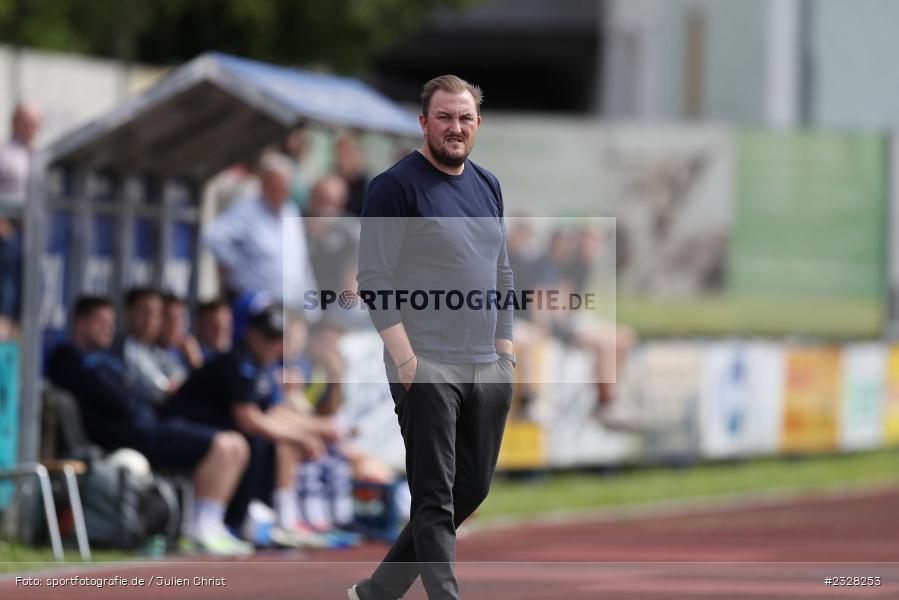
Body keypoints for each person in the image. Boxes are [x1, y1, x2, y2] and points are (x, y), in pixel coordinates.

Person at [349, 75, 514, 600]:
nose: (455, 128)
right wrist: (405, 361)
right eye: (444, 117)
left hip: (486, 363)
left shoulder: (488, 185)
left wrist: (506, 351)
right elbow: (374, 279)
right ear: (424, 123)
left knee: (472, 487)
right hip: (425, 361)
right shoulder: (393, 187)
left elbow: (501, 272)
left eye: (464, 118)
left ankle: (379, 592)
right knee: (434, 494)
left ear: (478, 124)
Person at [47, 296, 253, 556]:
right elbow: (122, 401)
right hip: (128, 437)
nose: (108, 329)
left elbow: (133, 393)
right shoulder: (70, 356)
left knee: (237, 442)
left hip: (150, 426)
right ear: (80, 323)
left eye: (111, 323)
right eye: (100, 322)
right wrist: (132, 391)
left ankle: (212, 523)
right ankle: (197, 529)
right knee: (222, 444)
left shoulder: (109, 358)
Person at [162, 302, 338, 545]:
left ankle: (275, 519)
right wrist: (301, 435)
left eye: (277, 338)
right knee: (235, 444)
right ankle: (204, 525)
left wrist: (309, 431)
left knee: (268, 443)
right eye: (267, 336)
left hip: (216, 432)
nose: (272, 344)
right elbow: (249, 418)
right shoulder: (238, 361)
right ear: (250, 333)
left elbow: (273, 412)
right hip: (177, 427)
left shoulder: (263, 366)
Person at [204, 152, 316, 309]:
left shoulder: (291, 211)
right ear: (265, 184)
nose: (283, 191)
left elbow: (300, 260)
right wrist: (239, 270)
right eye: (278, 186)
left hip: (290, 305)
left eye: (286, 186)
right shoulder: (246, 210)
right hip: (256, 305)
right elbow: (214, 236)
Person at [0, 102, 41, 338]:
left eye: (34, 123)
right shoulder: (5, 152)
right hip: (9, 235)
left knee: (27, 304)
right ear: (14, 122)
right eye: (26, 121)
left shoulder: (37, 155)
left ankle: (15, 359)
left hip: (30, 237)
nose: (30, 128)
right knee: (6, 297)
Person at [117, 287, 186, 405]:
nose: (150, 320)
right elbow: (160, 389)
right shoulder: (123, 348)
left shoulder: (154, 349)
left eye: (156, 314)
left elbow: (180, 376)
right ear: (128, 313)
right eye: (144, 312)